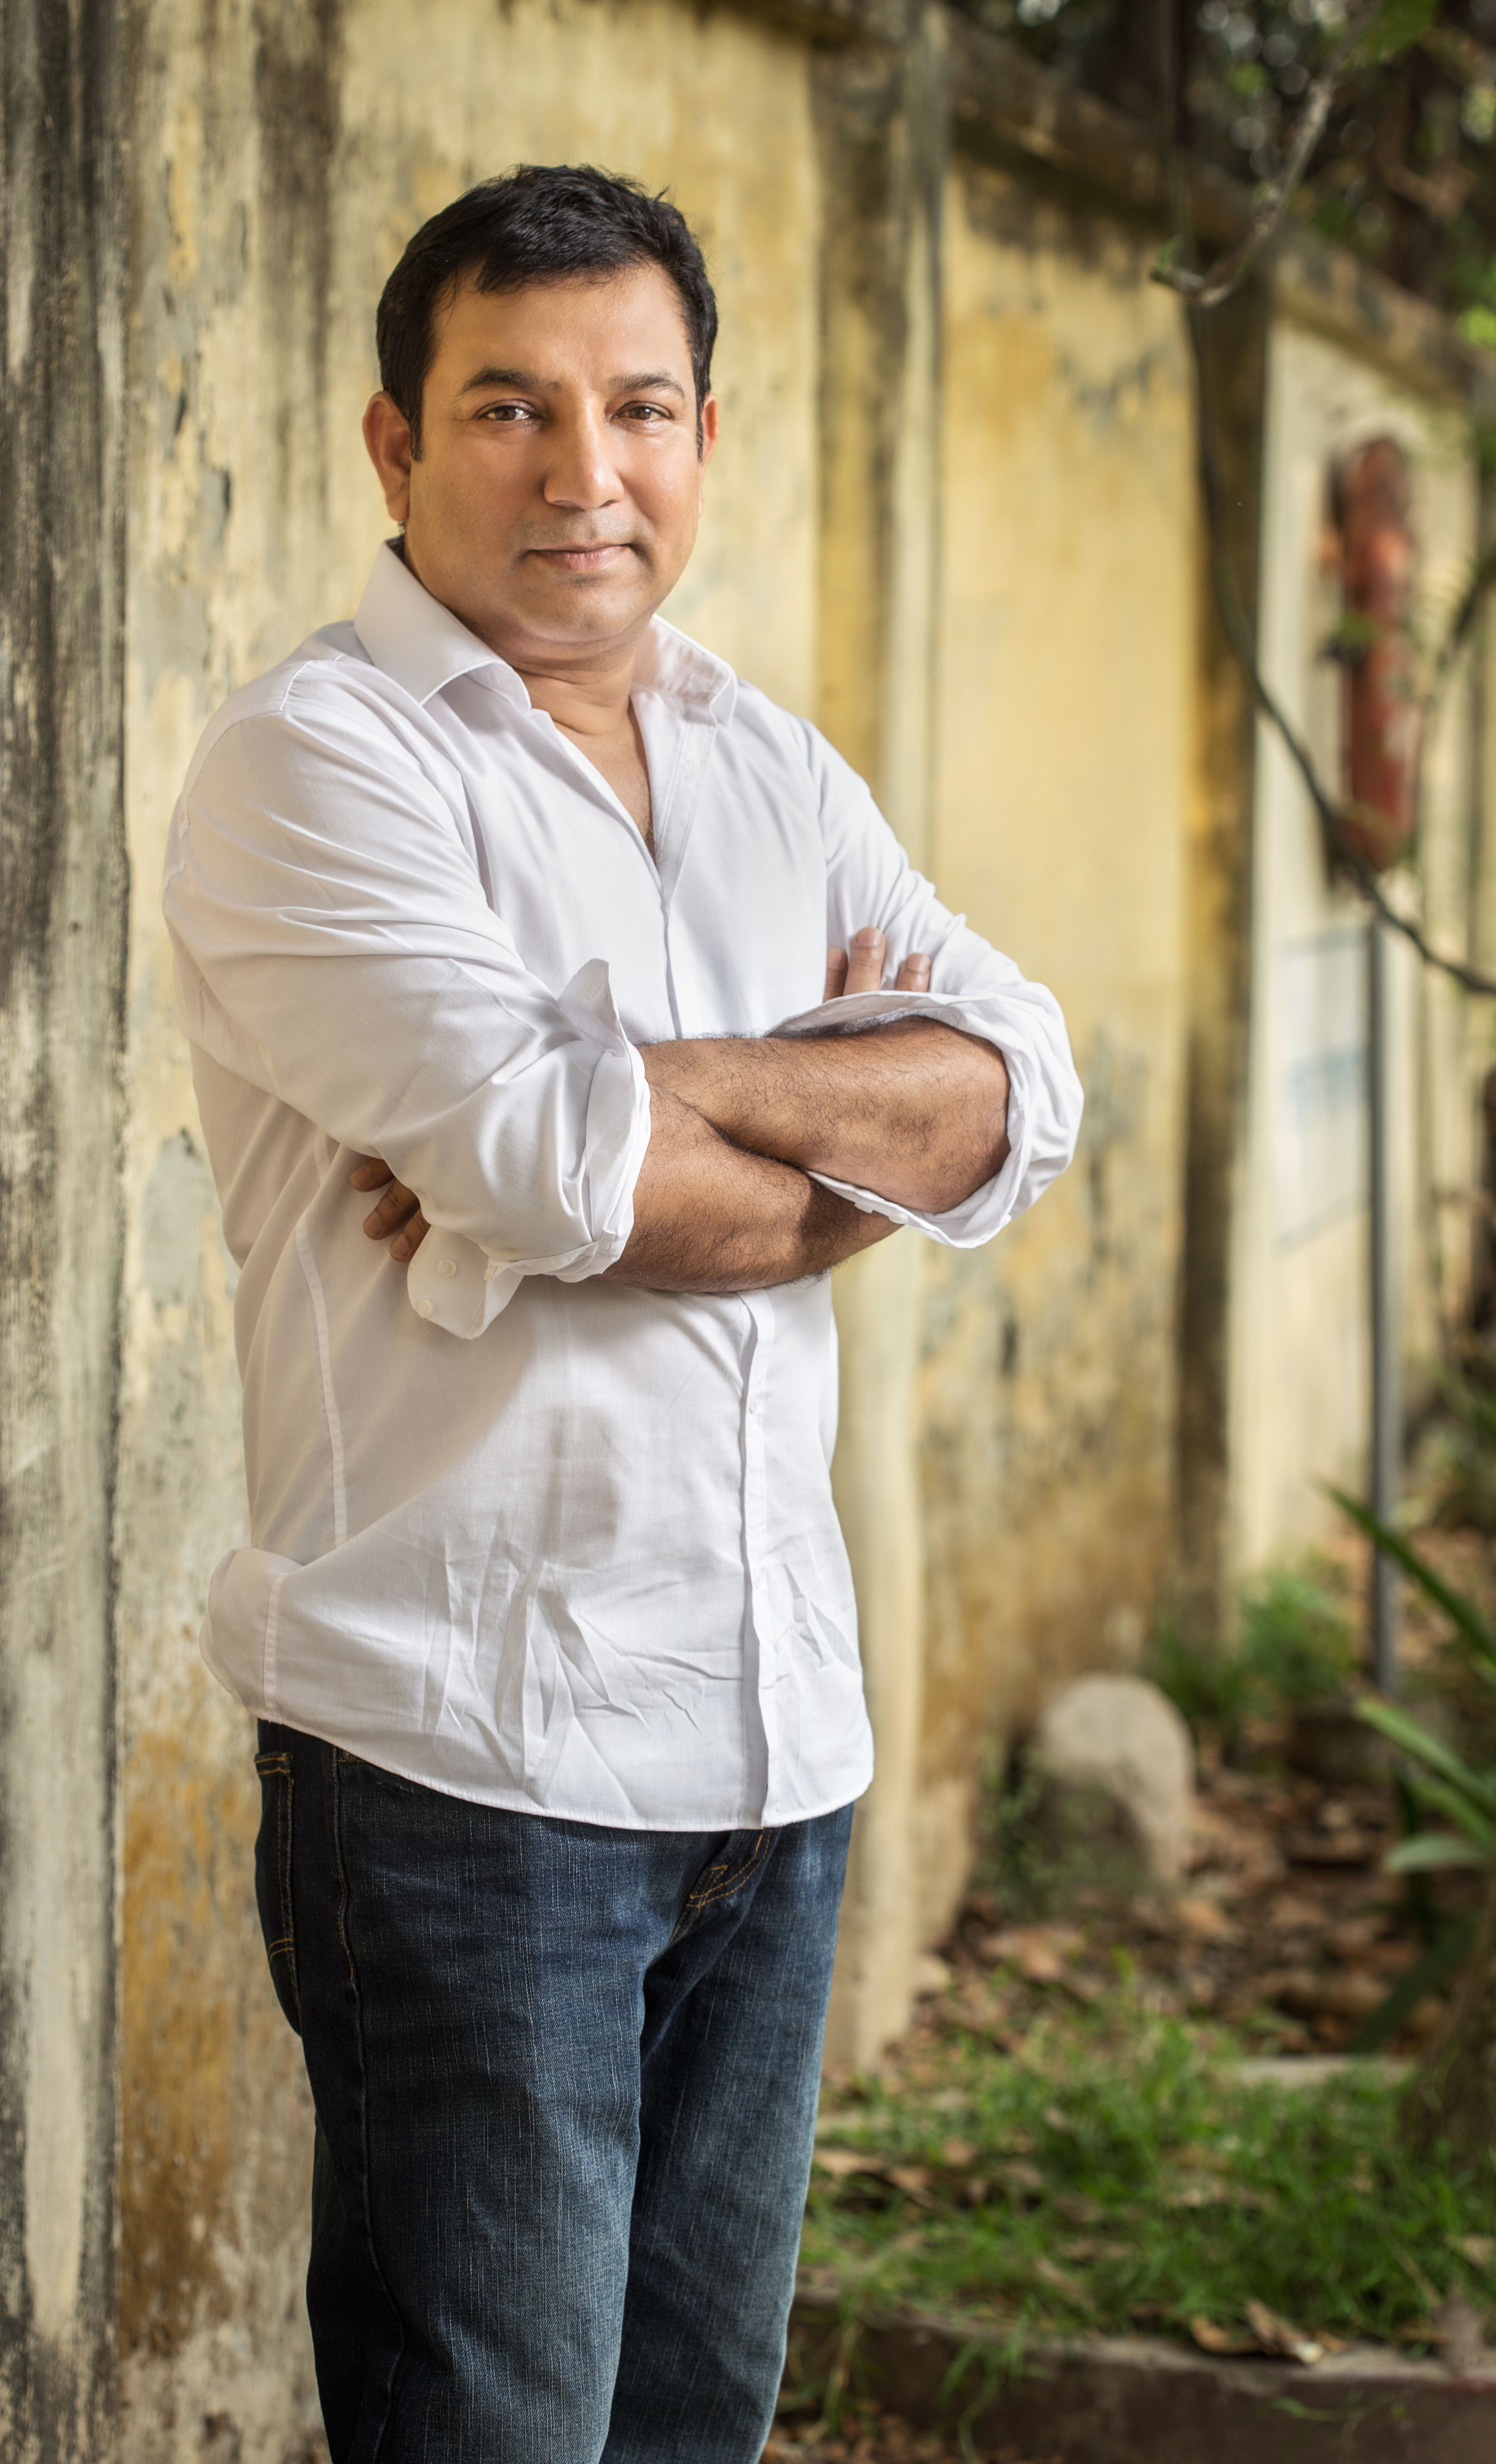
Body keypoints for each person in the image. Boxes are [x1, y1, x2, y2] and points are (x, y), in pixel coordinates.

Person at [163, 162, 1081, 2464]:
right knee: (496, 2429)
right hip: (471, 1775)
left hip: (776, 1751)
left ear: (703, 433)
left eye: (640, 407)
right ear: (397, 442)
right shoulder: (317, 766)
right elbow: (561, 1174)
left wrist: (655, 1097)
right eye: (512, 407)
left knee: (697, 2425)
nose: (587, 471)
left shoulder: (768, 762)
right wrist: (833, 1139)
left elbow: (1021, 1091)